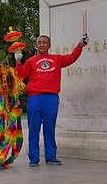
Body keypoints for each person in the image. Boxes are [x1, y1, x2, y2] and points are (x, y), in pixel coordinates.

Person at [15, 34, 88, 166]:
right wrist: (18, 62)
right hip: (34, 97)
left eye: (44, 42)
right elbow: (21, 74)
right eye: (39, 42)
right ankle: (33, 158)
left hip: (51, 98)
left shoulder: (57, 59)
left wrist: (80, 46)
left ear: (49, 45)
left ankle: (51, 156)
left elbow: (71, 58)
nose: (41, 44)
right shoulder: (31, 61)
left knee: (49, 128)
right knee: (34, 128)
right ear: (36, 45)